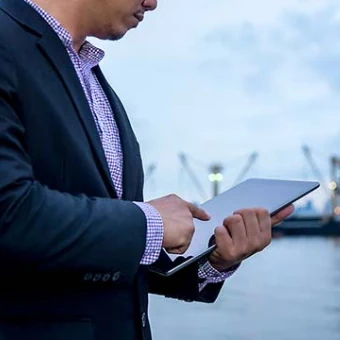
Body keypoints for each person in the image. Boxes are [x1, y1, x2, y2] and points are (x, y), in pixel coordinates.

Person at [0, 0, 294, 339]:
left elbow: (100, 253)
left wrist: (216, 260)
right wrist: (149, 222)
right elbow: (9, 213)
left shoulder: (90, 75)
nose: (153, 3)